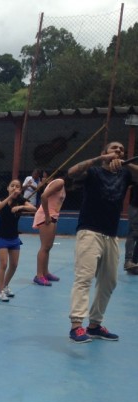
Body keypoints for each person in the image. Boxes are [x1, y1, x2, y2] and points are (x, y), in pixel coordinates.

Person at [66, 142, 138, 343]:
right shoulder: (94, 172)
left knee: (109, 281)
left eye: (122, 149)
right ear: (104, 152)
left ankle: (95, 325)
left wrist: (125, 164)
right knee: (84, 277)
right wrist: (99, 160)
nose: (119, 151)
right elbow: (72, 172)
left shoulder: (125, 174)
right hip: (89, 232)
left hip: (111, 235)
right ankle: (76, 326)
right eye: (114, 148)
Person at [0, 179, 36, 301]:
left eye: (17, 186)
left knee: (14, 265)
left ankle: (5, 285)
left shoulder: (21, 201)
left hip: (14, 237)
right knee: (3, 264)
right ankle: (0, 291)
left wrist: (21, 207)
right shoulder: (2, 199)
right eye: (12, 185)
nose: (14, 188)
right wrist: (10, 198)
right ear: (8, 188)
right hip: (2, 236)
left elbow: (34, 208)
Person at [32, 174, 66, 286]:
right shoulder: (59, 181)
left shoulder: (58, 184)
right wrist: (47, 215)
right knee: (44, 246)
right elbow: (43, 197)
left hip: (53, 216)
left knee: (48, 247)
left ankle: (45, 272)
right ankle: (39, 275)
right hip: (47, 216)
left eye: (44, 177)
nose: (43, 180)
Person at [124, 181, 138, 274]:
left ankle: (134, 262)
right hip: (136, 207)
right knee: (134, 232)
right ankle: (128, 261)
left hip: (135, 206)